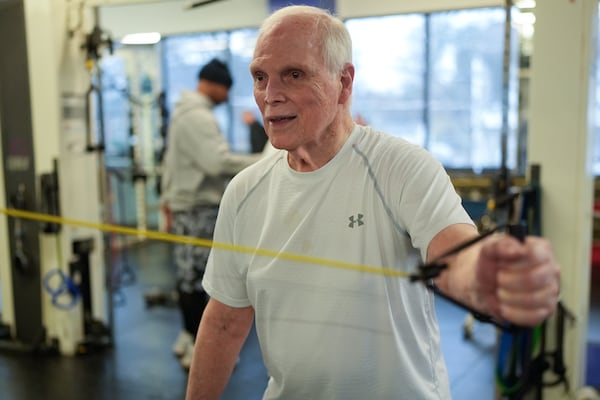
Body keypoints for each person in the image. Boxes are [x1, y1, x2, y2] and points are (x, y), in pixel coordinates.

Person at [186, 6, 561, 399]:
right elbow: (225, 321)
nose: (270, 96)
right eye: (260, 77)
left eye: (293, 75)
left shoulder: (401, 167)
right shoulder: (245, 191)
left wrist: (487, 273)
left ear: (344, 83)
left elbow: (454, 256)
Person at [159, 58, 261, 370]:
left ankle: (187, 336)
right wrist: (263, 162)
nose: (227, 97)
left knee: (190, 276)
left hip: (187, 206)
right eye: (226, 89)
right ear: (213, 85)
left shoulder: (184, 113)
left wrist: (166, 198)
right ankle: (197, 346)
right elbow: (216, 164)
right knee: (205, 281)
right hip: (198, 209)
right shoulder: (198, 117)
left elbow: (171, 161)